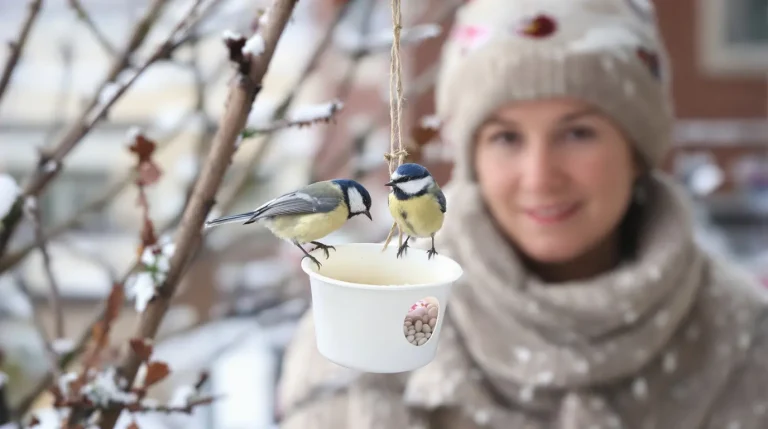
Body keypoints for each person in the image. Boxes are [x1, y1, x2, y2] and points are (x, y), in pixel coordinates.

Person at [275, 0, 768, 427]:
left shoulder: (745, 343)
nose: (539, 176)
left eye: (578, 133)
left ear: (637, 150)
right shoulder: (362, 333)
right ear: (472, 159)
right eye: (506, 137)